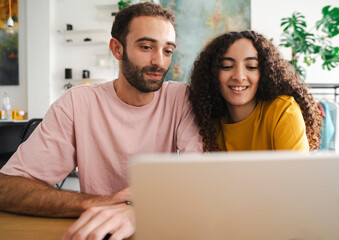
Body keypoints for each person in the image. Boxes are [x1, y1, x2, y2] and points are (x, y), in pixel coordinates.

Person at [0, 2, 202, 239]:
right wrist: (103, 203)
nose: (159, 61)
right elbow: (7, 188)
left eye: (167, 51)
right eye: (147, 46)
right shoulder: (77, 103)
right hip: (96, 232)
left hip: (161, 227)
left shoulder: (181, 99)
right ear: (117, 49)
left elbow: (201, 185)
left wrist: (140, 212)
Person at [189, 30, 322, 152]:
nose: (239, 76)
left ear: (264, 73)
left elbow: (296, 175)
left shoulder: (283, 111)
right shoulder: (210, 124)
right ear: (213, 74)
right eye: (227, 66)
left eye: (251, 67)